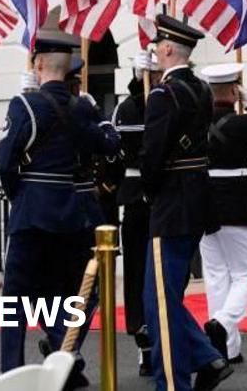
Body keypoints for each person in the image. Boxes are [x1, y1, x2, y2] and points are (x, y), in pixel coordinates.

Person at [0, 35, 119, 388]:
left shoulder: (25, 105)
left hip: (33, 211)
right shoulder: (82, 107)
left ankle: (12, 371)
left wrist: (20, 195)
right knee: (71, 292)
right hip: (74, 214)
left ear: (37, 66)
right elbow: (107, 145)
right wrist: (104, 119)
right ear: (67, 71)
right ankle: (65, 356)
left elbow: (6, 163)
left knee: (17, 298)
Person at [139, 16, 232, 391]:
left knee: (159, 301)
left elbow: (153, 153)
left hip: (172, 201)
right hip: (196, 197)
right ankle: (205, 357)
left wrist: (149, 189)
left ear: (166, 49)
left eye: (158, 47)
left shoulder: (164, 94)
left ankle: (173, 382)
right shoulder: (202, 90)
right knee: (165, 296)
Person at [198, 62, 247, 365]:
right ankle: (224, 323)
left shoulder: (197, 122)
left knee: (217, 275)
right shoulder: (243, 123)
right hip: (237, 200)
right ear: (234, 90)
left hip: (205, 199)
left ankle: (226, 349)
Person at [110, 51, 160, 376]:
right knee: (151, 272)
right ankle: (148, 341)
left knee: (141, 272)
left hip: (133, 197)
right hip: (154, 198)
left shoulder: (123, 108)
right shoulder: (157, 105)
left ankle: (147, 342)